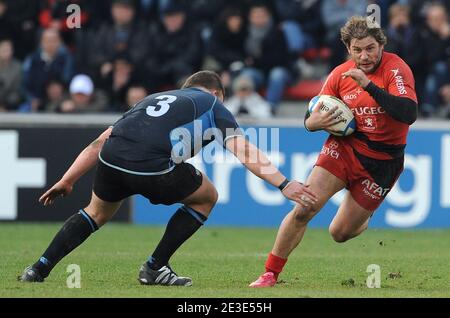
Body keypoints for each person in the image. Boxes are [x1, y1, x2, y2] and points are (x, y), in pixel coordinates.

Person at [18, 71, 317, 286]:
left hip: (111, 157)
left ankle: (38, 268)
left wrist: (68, 179)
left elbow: (101, 141)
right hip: (152, 166)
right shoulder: (213, 105)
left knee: (96, 212)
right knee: (207, 196)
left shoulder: (153, 98)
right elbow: (244, 151)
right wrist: (283, 182)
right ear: (216, 93)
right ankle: (154, 267)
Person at [249, 16, 418, 288]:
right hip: (345, 148)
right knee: (305, 208)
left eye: (371, 48)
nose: (365, 55)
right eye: (358, 49)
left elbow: (409, 113)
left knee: (340, 233)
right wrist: (310, 123)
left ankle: (363, 215)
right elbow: (314, 114)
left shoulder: (396, 69)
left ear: (381, 45)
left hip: (384, 162)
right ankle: (270, 273)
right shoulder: (339, 74)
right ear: (348, 48)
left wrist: (369, 86)